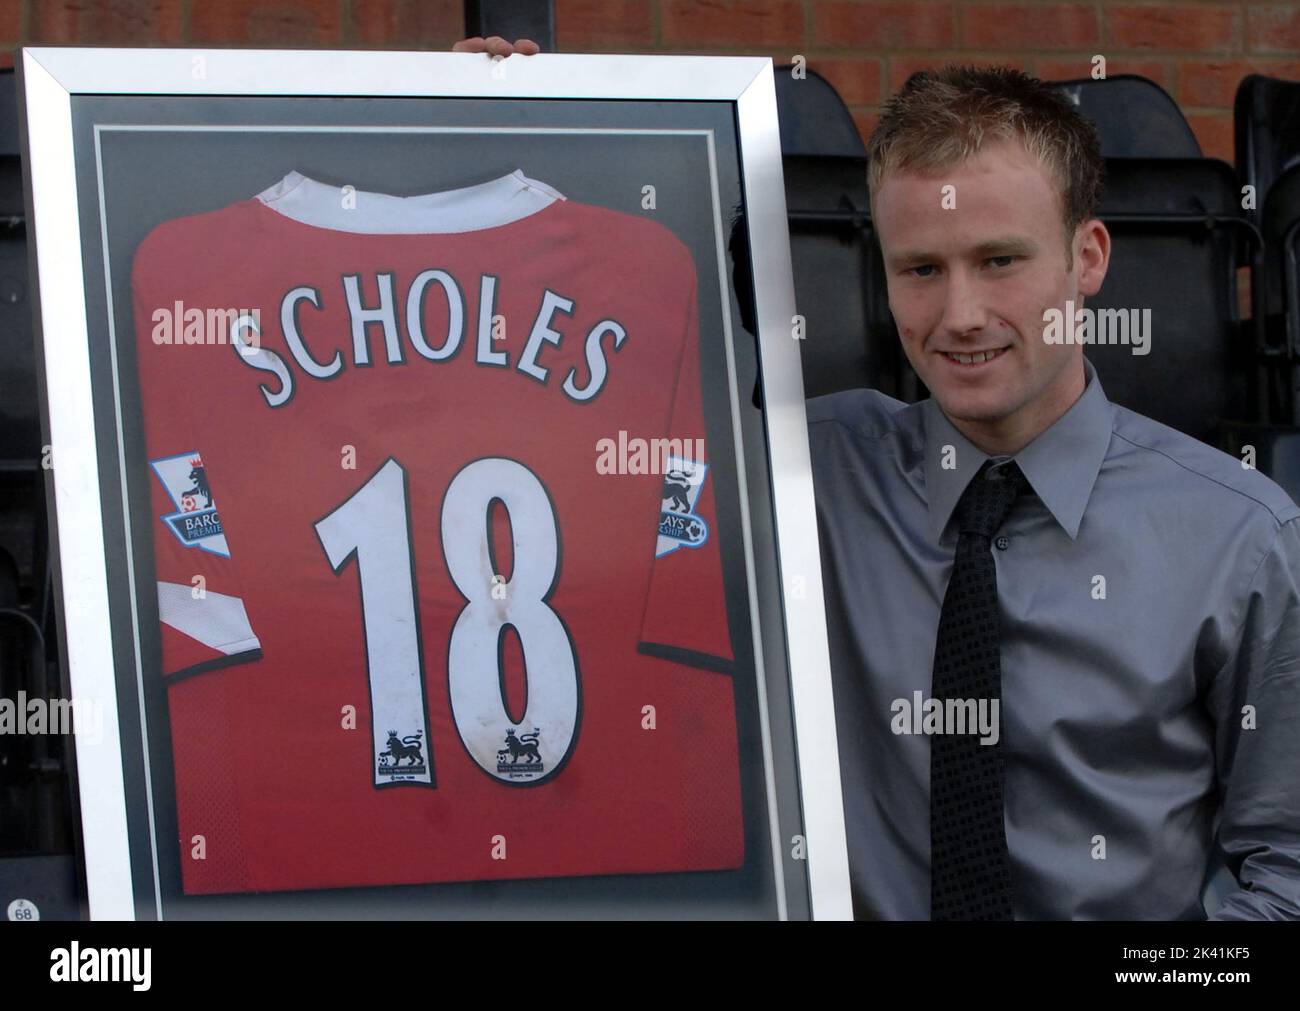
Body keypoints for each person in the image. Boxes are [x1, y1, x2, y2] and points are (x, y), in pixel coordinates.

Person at [454, 41, 1300, 920]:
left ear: (1087, 259)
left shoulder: (1239, 539)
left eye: (1000, 261)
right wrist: (501, 114)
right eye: (922, 270)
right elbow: (571, 440)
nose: (960, 315)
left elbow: (1287, 871)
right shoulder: (803, 472)